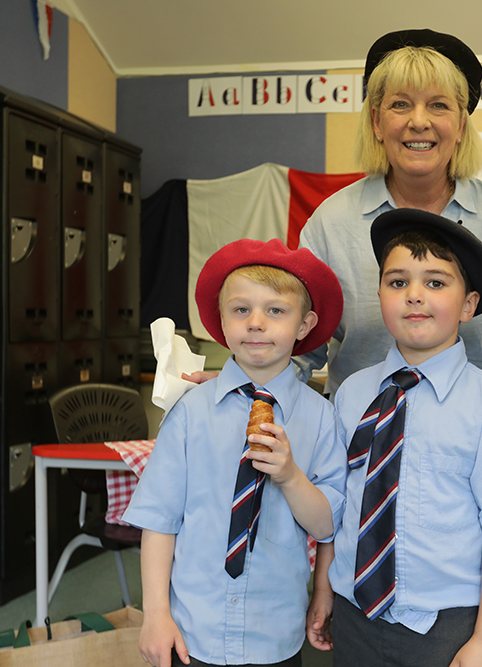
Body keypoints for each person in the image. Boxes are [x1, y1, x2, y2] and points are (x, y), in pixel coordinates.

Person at [310, 208, 482, 667]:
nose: (414, 295)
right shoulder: (352, 393)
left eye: (436, 283)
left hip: (448, 623)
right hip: (355, 610)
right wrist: (323, 589)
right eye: (398, 283)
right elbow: (337, 504)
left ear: (469, 304)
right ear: (378, 295)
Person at [123, 239, 348, 667]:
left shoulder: (321, 419)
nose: (256, 324)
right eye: (241, 309)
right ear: (220, 321)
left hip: (275, 633)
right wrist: (155, 615)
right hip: (193, 630)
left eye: (276, 310)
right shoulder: (189, 413)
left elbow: (328, 525)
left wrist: (290, 477)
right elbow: (159, 518)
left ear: (304, 324)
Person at [296, 28, 482, 397]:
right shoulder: (330, 223)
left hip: (473, 434)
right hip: (359, 435)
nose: (419, 121)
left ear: (462, 124)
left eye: (439, 104)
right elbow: (302, 343)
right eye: (400, 104)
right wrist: (246, 383)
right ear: (376, 122)